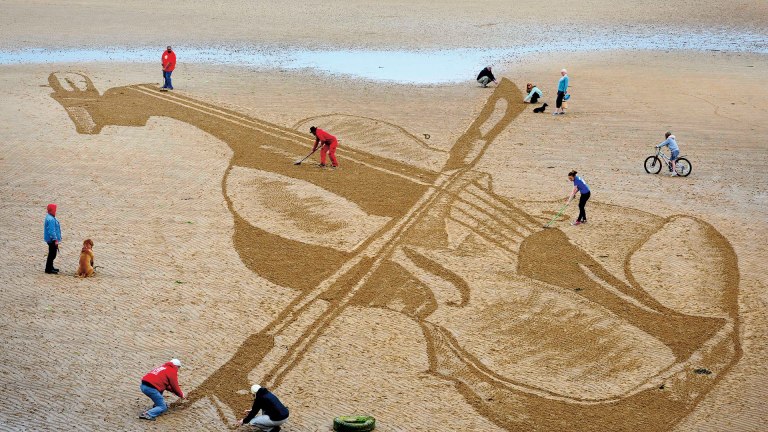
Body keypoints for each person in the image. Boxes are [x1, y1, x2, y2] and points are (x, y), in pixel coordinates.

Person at [43, 203, 62, 274]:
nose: (55, 211)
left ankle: (51, 267)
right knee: (52, 254)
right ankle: (48, 269)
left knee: (52, 253)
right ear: (52, 210)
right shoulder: (51, 219)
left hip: (51, 239)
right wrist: (55, 239)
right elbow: (51, 231)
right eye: (55, 209)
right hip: (52, 240)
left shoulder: (50, 217)